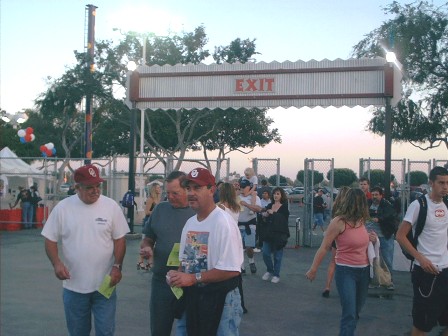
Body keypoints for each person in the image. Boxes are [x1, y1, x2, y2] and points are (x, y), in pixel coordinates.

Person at [41, 164, 129, 336]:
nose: (95, 191)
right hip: (74, 287)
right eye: (90, 187)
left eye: (98, 186)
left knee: (105, 331)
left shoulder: (111, 207)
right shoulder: (63, 208)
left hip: (105, 285)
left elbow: (119, 239)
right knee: (78, 332)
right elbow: (50, 238)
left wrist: (117, 266)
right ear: (77, 188)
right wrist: (56, 263)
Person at [166, 167, 244, 336]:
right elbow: (185, 263)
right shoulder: (190, 223)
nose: (191, 193)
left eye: (197, 188)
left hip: (222, 300)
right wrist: (177, 275)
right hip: (193, 297)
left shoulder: (223, 222)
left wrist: (193, 278)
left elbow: (231, 270)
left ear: (211, 190)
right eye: (188, 188)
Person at [306, 188, 377, 336]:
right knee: (349, 313)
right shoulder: (338, 222)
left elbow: (363, 243)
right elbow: (325, 246)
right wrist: (313, 268)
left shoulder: (361, 221)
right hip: (346, 272)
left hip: (364, 272)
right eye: (360, 202)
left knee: (356, 311)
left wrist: (373, 239)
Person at [140, 171, 195, 336]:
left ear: (187, 190)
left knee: (192, 329)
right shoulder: (160, 209)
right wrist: (147, 247)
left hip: (192, 284)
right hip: (162, 281)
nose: (170, 197)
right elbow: (148, 237)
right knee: (159, 329)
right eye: (167, 192)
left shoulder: (198, 211)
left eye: (175, 193)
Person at [396, 166, 448, 336]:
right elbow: (401, 236)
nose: (445, 187)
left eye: (447, 183)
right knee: (422, 324)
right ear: (430, 183)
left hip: (446, 271)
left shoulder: (446, 204)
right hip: (425, 273)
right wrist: (421, 259)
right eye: (441, 183)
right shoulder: (419, 205)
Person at [217, 182, 248, 314]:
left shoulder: (220, 207)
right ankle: (241, 304)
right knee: (237, 273)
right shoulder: (236, 206)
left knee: (224, 271)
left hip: (225, 240)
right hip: (236, 239)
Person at [366, 186, 397, 290]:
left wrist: (378, 218)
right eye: (373, 194)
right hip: (370, 236)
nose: (374, 197)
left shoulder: (386, 204)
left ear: (381, 195)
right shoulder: (367, 203)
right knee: (372, 259)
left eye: (376, 195)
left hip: (385, 235)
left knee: (387, 259)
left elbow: (390, 215)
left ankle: (389, 281)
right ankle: (375, 281)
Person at [322, 186, 350, 298]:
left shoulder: (335, 206)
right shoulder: (350, 207)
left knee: (333, 262)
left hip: (336, 237)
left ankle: (327, 286)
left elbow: (332, 222)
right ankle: (345, 288)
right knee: (346, 264)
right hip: (347, 237)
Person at [260, 187, 290, 283]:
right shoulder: (269, 205)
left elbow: (284, 220)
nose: (276, 195)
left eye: (278, 194)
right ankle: (270, 270)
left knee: (277, 256)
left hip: (279, 235)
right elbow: (264, 218)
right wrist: (265, 215)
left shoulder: (284, 207)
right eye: (274, 194)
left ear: (281, 195)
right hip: (268, 233)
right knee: (265, 253)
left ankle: (276, 275)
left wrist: (273, 213)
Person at [238, 177, 262, 274]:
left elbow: (259, 209)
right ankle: (241, 267)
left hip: (250, 225)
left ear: (249, 187)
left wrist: (247, 205)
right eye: (241, 187)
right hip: (238, 225)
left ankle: (251, 261)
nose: (242, 189)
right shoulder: (237, 197)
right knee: (239, 247)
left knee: (248, 247)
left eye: (244, 187)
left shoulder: (255, 197)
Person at [137, 183, 162, 271]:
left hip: (156, 222)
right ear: (154, 189)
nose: (159, 189)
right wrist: (157, 212)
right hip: (148, 222)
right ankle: (140, 262)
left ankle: (150, 263)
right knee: (146, 243)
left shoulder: (159, 199)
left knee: (153, 244)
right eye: (157, 188)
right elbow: (147, 212)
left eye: (160, 188)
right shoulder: (150, 199)